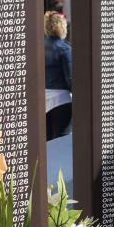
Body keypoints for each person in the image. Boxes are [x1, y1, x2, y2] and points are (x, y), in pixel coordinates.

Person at [44, 11, 72, 140]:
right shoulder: (64, 48)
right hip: (61, 100)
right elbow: (70, 77)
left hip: (43, 99)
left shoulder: (39, 46)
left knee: (47, 141)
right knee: (61, 139)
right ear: (62, 27)